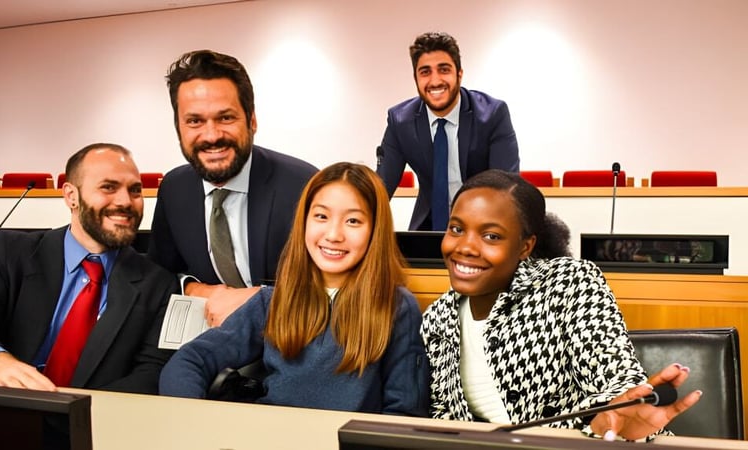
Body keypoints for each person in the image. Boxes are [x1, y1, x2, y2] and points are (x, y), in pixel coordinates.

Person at [420, 169, 701, 440]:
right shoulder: (437, 318)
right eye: (456, 229)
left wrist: (611, 418)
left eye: (491, 236)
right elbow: (443, 413)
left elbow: (615, 374)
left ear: (524, 247)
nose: (465, 247)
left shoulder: (569, 283)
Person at [159, 162, 429, 416]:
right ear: (304, 222)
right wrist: (192, 421)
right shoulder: (272, 300)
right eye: (321, 216)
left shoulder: (397, 307)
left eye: (353, 221)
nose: (334, 234)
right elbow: (191, 360)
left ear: (374, 230)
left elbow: (403, 413)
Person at [0, 143, 177, 394]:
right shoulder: (10, 252)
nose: (125, 201)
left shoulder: (158, 282)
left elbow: (151, 372)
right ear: (71, 196)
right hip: (5, 412)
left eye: (135, 190)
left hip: (93, 422)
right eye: (108, 187)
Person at [149, 50, 318, 327]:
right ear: (178, 127)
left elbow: (334, 285)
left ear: (252, 121)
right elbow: (159, 275)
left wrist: (259, 298)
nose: (212, 135)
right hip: (209, 340)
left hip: (290, 337)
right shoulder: (173, 189)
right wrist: (196, 289)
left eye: (226, 118)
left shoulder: (304, 185)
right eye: (194, 121)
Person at [377, 32, 519, 231]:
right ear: (416, 78)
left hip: (483, 225)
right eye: (425, 72)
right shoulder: (400, 121)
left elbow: (507, 189)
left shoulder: (492, 115)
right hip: (429, 228)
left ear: (459, 74)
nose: (435, 81)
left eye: (443, 70)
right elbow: (380, 190)